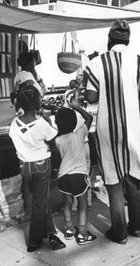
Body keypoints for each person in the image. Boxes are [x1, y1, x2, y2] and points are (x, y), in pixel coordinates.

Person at [84, 20, 140, 244]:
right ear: (128, 40)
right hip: (135, 131)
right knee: (133, 178)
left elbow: (91, 98)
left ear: (109, 40)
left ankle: (119, 232)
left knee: (113, 182)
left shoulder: (98, 63)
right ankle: (136, 227)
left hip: (108, 132)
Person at [8, 85, 66, 252]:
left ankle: (52, 233)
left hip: (24, 167)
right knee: (39, 204)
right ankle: (34, 241)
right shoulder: (41, 124)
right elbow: (54, 140)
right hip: (41, 165)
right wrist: (48, 122)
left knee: (40, 200)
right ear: (36, 104)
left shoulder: (14, 123)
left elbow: (15, 137)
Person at [54, 102, 97, 245]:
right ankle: (83, 234)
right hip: (78, 176)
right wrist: (76, 107)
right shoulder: (79, 134)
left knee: (67, 204)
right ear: (73, 123)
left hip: (63, 177)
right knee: (82, 205)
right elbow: (89, 118)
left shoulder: (58, 140)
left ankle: (69, 230)